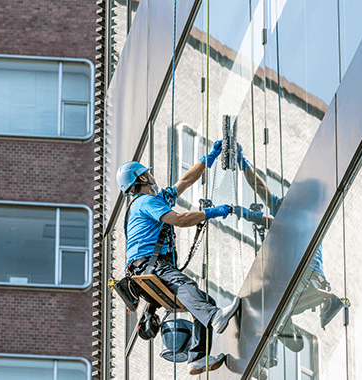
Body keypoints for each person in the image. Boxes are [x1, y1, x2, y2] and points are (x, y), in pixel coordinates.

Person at [116, 140, 241, 376]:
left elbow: (184, 182)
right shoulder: (146, 202)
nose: (151, 176)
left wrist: (208, 159)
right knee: (185, 285)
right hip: (149, 266)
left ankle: (197, 358)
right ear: (139, 179)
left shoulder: (152, 200)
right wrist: (211, 213)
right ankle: (214, 317)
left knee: (204, 300)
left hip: (144, 268)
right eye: (147, 174)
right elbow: (180, 220)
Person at [232, 144, 343, 353]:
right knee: (247, 305)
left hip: (306, 278)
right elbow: (261, 188)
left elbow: (281, 226)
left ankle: (272, 340)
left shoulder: (307, 218)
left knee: (271, 310)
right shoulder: (289, 209)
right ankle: (285, 332)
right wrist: (242, 162)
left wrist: (250, 215)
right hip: (292, 279)